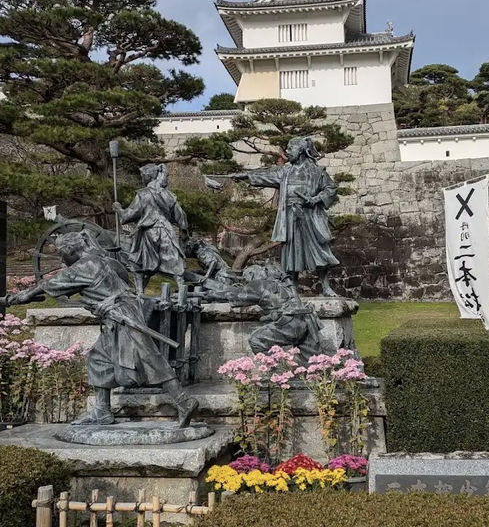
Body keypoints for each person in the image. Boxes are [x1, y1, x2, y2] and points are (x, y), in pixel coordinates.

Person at [5, 232, 199, 427]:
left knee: (149, 359)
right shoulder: (102, 259)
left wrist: (13, 299)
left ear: (71, 249)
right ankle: (102, 411)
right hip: (119, 315)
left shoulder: (84, 266)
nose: (62, 259)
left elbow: (45, 285)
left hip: (122, 317)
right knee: (98, 359)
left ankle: (184, 401)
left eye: (62, 254)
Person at [205, 136, 340, 296]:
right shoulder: (285, 171)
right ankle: (292, 289)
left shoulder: (317, 172)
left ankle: (325, 286)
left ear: (302, 150)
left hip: (310, 216)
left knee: (319, 250)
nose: (287, 152)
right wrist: (245, 177)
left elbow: (330, 188)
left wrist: (315, 200)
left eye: (290, 148)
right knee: (291, 253)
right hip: (290, 217)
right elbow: (265, 175)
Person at [114, 163, 188, 297]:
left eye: (142, 176)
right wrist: (184, 233)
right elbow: (181, 217)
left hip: (149, 232)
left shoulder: (143, 195)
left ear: (147, 177)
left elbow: (127, 216)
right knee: (173, 261)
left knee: (139, 261)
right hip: (166, 231)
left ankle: (140, 292)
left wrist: (118, 209)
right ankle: (182, 290)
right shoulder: (169, 195)